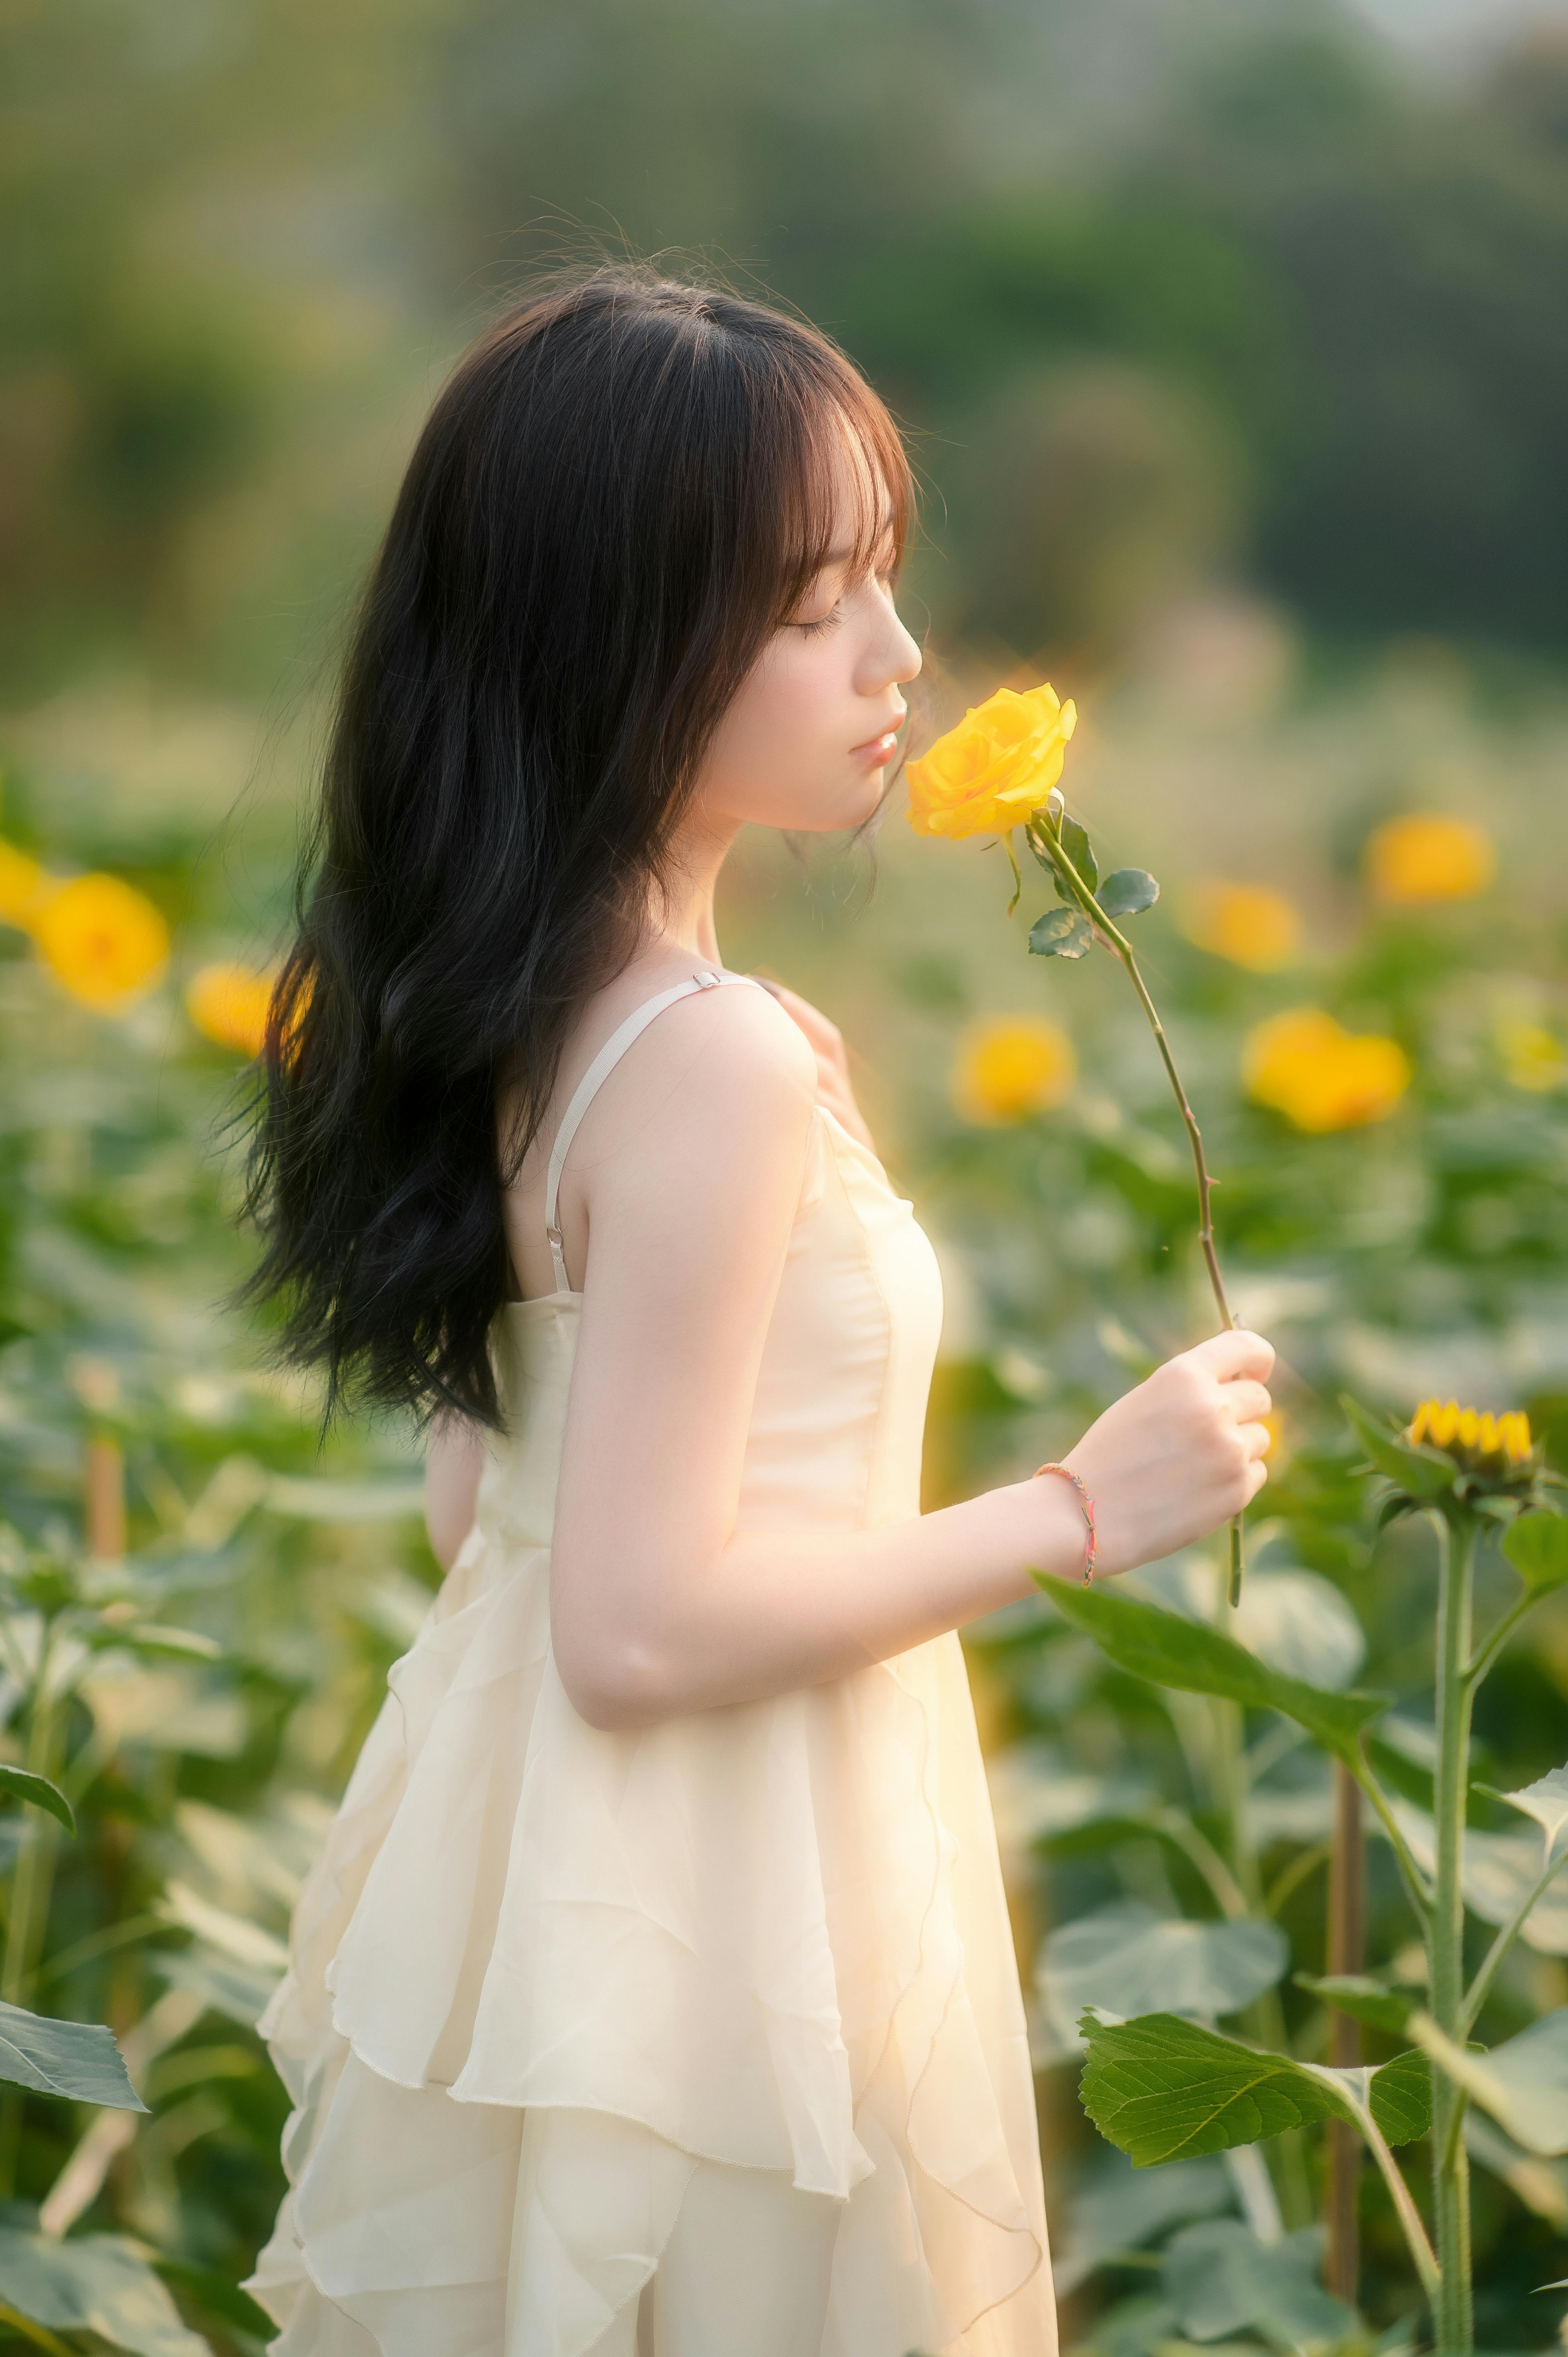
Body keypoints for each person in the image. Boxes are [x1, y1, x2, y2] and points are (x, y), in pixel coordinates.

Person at [236, 267, 1274, 2357]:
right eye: (814, 611)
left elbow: (490, 1531)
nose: (895, 658)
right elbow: (628, 1633)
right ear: (606, 642)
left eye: (883, 586)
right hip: (724, 1884)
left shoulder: (534, 1025)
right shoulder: (698, 1058)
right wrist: (1081, 1508)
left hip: (563, 1881)